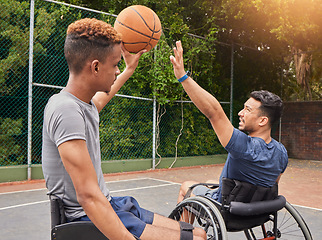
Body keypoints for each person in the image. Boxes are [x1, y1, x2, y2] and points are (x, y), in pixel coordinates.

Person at [42, 19, 206, 240]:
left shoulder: (82, 104)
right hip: (86, 217)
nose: (117, 69)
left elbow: (100, 102)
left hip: (110, 204)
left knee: (198, 233)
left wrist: (129, 70)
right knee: (197, 239)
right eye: (115, 64)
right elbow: (88, 196)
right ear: (96, 67)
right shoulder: (65, 109)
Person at [169, 41, 288, 204]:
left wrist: (183, 76)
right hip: (256, 209)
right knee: (212, 181)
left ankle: (188, 231)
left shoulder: (244, 147)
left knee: (186, 187)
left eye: (247, 109)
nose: (240, 113)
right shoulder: (281, 152)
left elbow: (214, 112)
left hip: (229, 209)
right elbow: (270, 185)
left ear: (263, 120)